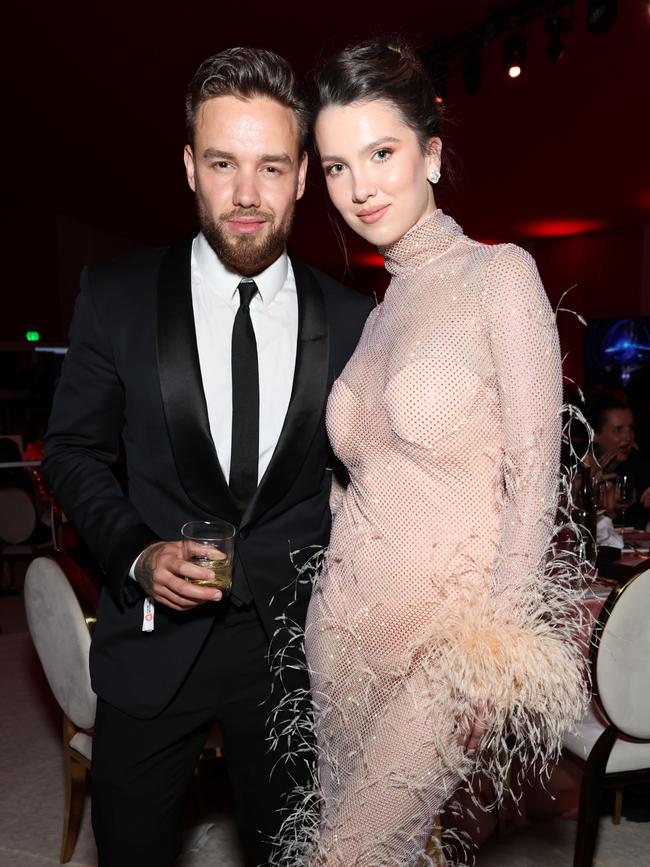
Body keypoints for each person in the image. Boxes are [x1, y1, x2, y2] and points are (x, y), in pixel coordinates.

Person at [43, 47, 373, 867]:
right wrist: (136, 550)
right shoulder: (113, 295)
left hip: (292, 647)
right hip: (155, 640)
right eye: (224, 163)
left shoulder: (356, 316)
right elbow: (74, 452)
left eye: (271, 167)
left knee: (292, 853)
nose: (248, 196)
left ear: (302, 174)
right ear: (191, 166)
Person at [276, 36, 588, 865]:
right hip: (341, 632)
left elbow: (535, 477)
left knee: (349, 854)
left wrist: (495, 648)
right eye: (337, 166)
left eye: (382, 152)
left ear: (433, 154)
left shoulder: (500, 277)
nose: (359, 186)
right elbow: (364, 478)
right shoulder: (378, 314)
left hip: (449, 649)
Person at [585, 395, 650, 529]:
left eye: (631, 428)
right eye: (618, 430)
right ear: (595, 435)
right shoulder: (574, 465)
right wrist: (584, 491)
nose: (628, 437)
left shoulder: (640, 464)